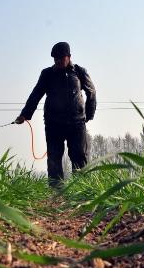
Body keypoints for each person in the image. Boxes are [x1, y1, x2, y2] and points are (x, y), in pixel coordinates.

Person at [15, 42, 96, 188]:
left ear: (69, 57)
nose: (57, 61)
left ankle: (82, 190)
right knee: (54, 158)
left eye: (60, 58)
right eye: (55, 59)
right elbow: (36, 94)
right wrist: (25, 114)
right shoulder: (47, 74)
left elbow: (92, 92)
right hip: (54, 124)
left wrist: (89, 115)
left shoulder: (79, 72)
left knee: (79, 156)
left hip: (76, 124)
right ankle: (56, 194)